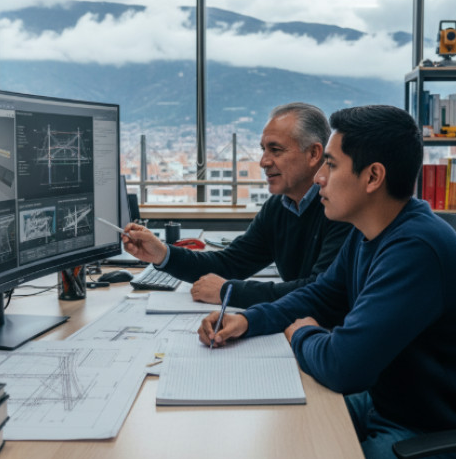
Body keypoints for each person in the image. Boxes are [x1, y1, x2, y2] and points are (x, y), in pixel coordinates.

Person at [199, 105, 456, 459]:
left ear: (373, 177)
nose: (319, 178)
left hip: (430, 430)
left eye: (332, 166)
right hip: (389, 402)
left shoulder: (416, 248)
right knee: (286, 435)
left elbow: (344, 367)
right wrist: (246, 320)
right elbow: (320, 296)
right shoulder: (367, 231)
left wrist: (301, 333)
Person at [122, 102, 351, 307]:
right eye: (263, 150)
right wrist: (162, 254)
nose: (263, 162)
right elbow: (229, 264)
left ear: (313, 153)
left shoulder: (342, 209)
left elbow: (321, 292)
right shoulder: (279, 207)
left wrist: (228, 291)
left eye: (276, 150)